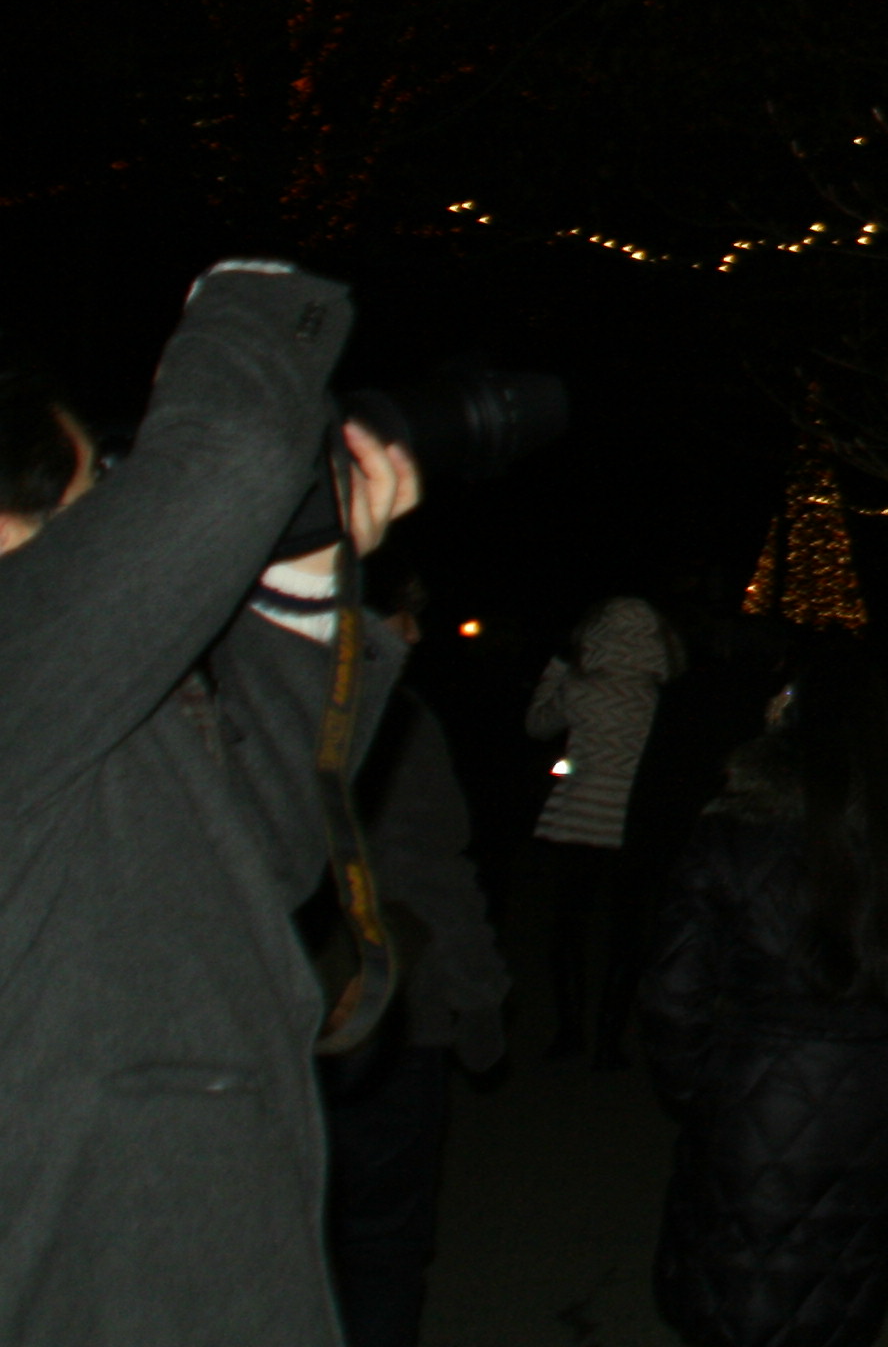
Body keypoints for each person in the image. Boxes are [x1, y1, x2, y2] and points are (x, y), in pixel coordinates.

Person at [0, 261, 426, 1347]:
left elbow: (256, 866)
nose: (121, 530)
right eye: (103, 490)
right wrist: (247, 291)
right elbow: (231, 454)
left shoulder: (61, 710)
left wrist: (297, 582)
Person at [639, 639, 888, 1347]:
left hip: (757, 1094)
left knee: (740, 1302)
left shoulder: (734, 832)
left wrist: (703, 1081)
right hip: (875, 1097)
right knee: (835, 1298)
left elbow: (672, 992)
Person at [319, 552, 513, 1347]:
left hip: (268, 1012)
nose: (417, 630)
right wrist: (480, 994)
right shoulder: (390, 715)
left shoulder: (245, 697)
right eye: (404, 610)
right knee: (380, 1244)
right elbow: (430, 872)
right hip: (386, 1019)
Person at [528, 587, 682, 1061]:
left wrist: (558, 668)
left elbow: (536, 726)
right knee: (627, 933)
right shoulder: (658, 699)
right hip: (632, 822)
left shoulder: (580, 687)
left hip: (578, 818)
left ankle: (570, 1032)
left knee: (569, 929)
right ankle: (609, 1040)